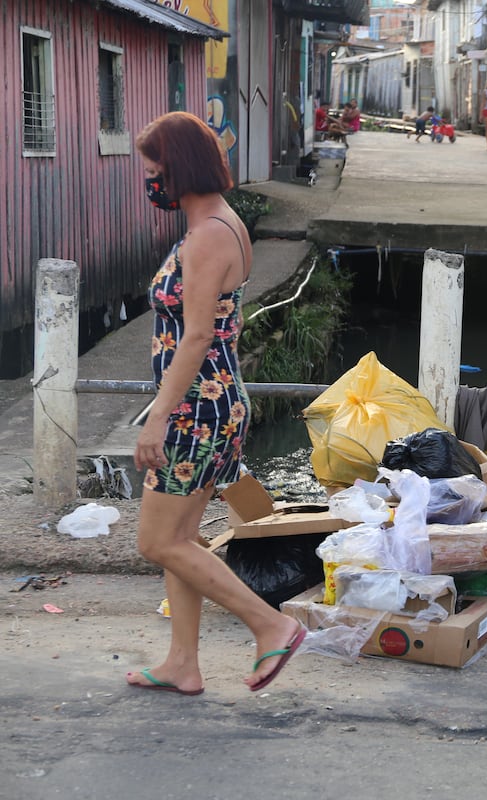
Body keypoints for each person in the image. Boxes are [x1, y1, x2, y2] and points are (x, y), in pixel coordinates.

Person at [126, 111, 306, 697]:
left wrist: (156, 416)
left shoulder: (207, 237)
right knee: (180, 540)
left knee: (158, 541)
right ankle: (182, 661)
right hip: (217, 402)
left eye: (153, 170)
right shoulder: (225, 224)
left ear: (176, 168)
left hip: (194, 410)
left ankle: (270, 624)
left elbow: (197, 334)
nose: (150, 180)